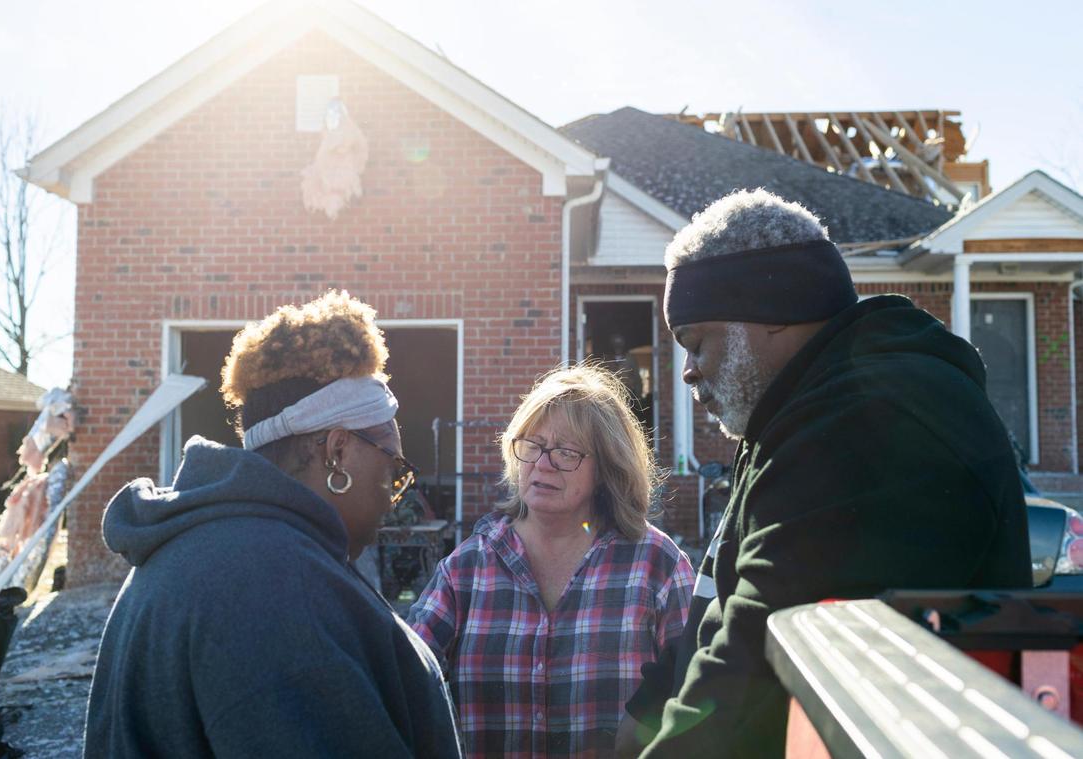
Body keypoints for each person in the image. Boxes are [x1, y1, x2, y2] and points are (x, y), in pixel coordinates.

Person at [616, 189, 1032, 758]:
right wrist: (642, 718)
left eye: (695, 341)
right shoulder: (795, 417)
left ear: (772, 312)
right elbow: (721, 605)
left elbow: (757, 660)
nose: (688, 372)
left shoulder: (869, 421)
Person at [84, 291, 461, 758]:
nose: (391, 497)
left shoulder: (197, 546)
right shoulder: (276, 585)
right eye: (392, 468)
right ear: (337, 451)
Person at [407, 364, 695, 757]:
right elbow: (402, 685)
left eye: (565, 452)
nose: (542, 464)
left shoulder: (656, 567)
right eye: (532, 445)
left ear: (607, 468)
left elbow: (698, 696)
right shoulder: (467, 570)